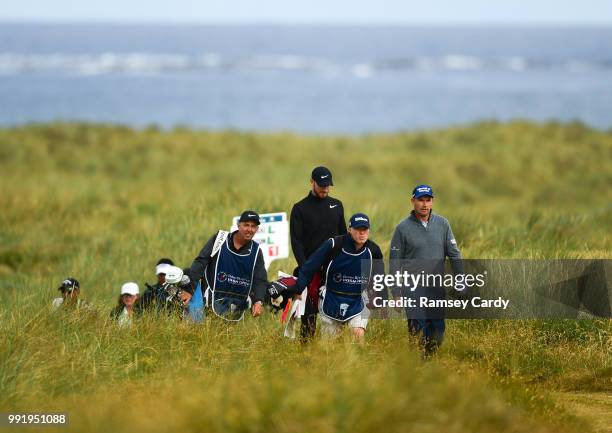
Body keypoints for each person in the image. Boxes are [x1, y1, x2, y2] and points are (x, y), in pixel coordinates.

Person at [389, 184, 463, 355]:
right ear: (412, 201)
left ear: (432, 202)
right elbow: (395, 263)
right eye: (420, 200)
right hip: (412, 288)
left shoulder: (443, 224)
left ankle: (428, 364)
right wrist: (397, 293)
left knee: (438, 333)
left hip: (436, 288)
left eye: (428, 200)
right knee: (418, 332)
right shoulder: (402, 228)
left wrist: (461, 279)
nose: (424, 204)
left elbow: (454, 254)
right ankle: (417, 369)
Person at [290, 213, 384, 340]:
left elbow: (379, 277)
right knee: (329, 347)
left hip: (358, 300)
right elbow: (309, 267)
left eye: (365, 229)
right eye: (358, 229)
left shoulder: (374, 251)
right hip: (331, 298)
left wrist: (380, 298)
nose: (362, 233)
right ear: (349, 229)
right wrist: (298, 289)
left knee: (357, 335)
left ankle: (358, 360)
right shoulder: (334, 245)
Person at [290, 166, 347, 339]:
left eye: (328, 184)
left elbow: (343, 236)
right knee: (309, 312)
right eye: (321, 184)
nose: (325, 188)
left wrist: (342, 263)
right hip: (310, 269)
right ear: (312, 182)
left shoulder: (337, 205)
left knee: (336, 310)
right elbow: (296, 242)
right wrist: (306, 268)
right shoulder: (300, 208)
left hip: (333, 268)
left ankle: (333, 350)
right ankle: (306, 351)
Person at [188, 210, 267, 321]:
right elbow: (201, 262)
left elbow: (260, 279)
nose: (249, 229)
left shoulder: (256, 251)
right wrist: (189, 289)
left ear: (257, 229)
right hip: (209, 303)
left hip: (237, 308)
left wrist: (258, 301)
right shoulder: (219, 239)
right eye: (246, 225)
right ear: (238, 225)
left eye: (253, 226)